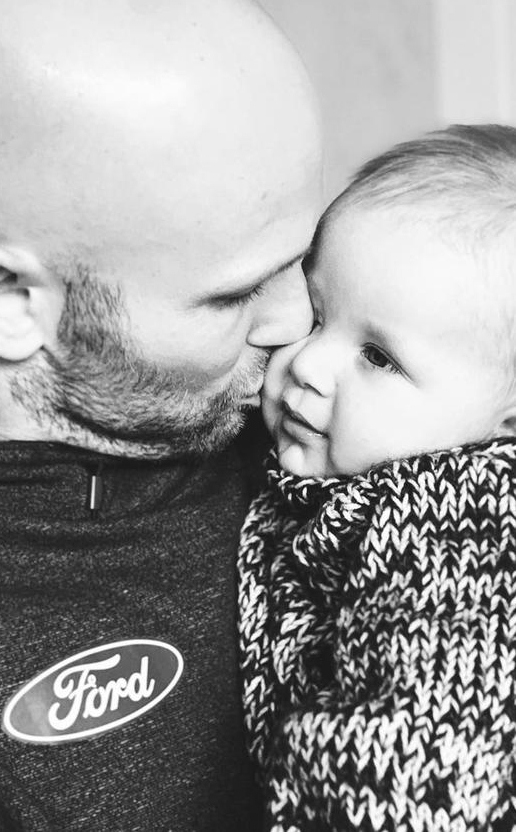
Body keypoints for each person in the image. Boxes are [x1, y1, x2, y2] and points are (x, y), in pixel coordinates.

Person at [0, 0, 323, 829]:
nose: (301, 320)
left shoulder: (297, 374)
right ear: (10, 303)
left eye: (305, 251)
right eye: (232, 296)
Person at [239, 124, 516, 831]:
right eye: (317, 313)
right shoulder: (336, 465)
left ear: (507, 423)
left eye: (379, 357)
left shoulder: (461, 525)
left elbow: (414, 773)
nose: (307, 364)